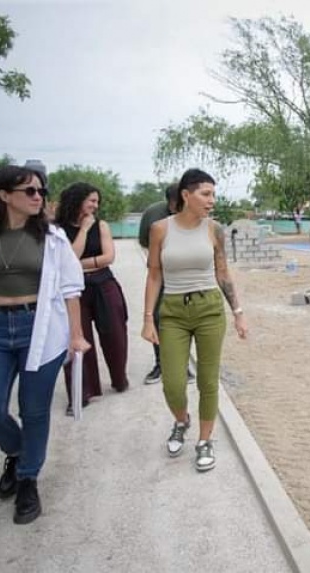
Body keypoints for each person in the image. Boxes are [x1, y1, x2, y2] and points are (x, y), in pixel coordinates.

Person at [0, 164, 89, 525]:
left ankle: (28, 478)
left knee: (35, 410)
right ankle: (16, 450)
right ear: (3, 195)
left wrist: (76, 336)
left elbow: (71, 288)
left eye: (41, 191)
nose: (38, 197)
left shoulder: (53, 237)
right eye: (29, 191)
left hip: (40, 328)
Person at [141, 168, 248, 472]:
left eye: (214, 194)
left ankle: (204, 441)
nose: (211, 200)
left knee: (207, 380)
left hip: (209, 309)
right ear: (186, 195)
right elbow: (153, 275)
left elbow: (223, 273)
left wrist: (238, 313)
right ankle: (181, 420)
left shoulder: (214, 229)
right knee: (173, 384)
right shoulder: (160, 229)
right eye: (205, 193)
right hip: (172, 311)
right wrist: (148, 318)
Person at [55, 183, 130, 414]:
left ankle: (119, 378)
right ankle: (82, 392)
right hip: (73, 292)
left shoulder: (102, 225)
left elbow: (108, 257)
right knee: (78, 340)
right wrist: (85, 230)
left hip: (104, 285)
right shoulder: (57, 229)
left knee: (115, 335)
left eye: (97, 201)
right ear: (77, 200)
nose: (95, 206)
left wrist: (75, 266)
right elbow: (68, 257)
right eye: (91, 201)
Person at [138, 183, 180, 384]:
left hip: (182, 274)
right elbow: (143, 240)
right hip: (160, 270)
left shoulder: (193, 212)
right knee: (157, 315)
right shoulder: (153, 214)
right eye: (172, 204)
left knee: (183, 317)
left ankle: (181, 365)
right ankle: (160, 364)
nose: (175, 208)